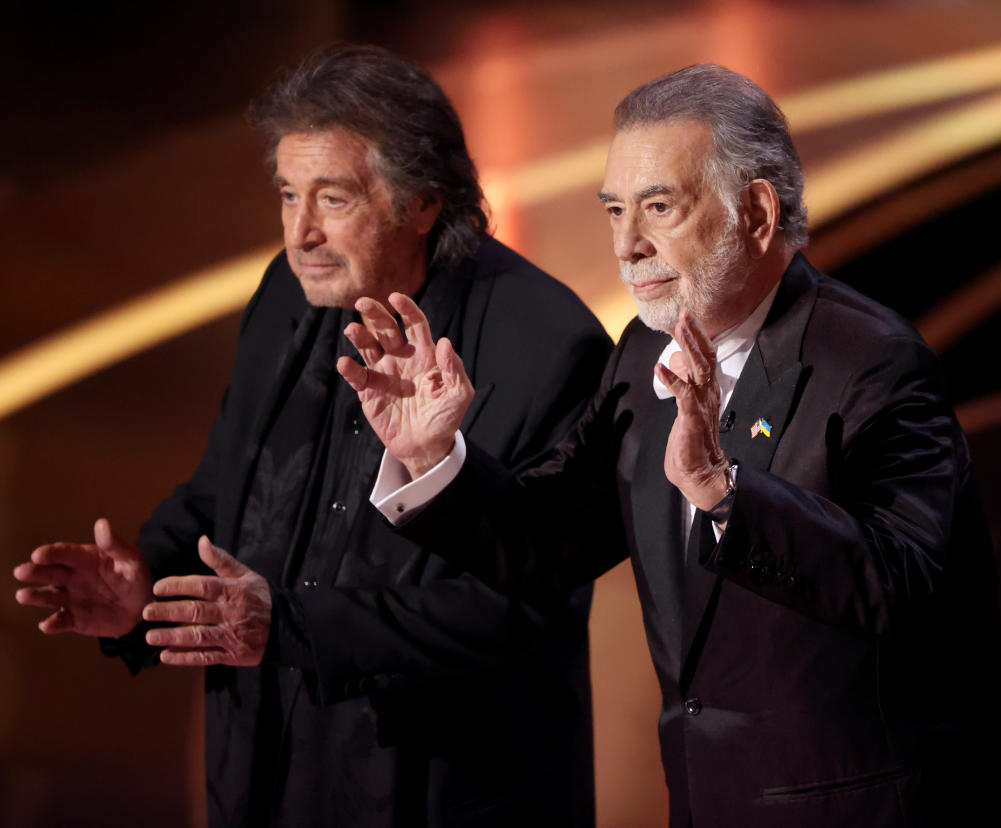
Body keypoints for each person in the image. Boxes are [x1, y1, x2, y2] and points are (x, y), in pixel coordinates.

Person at [341, 64, 1001, 827]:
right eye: (615, 211)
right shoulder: (640, 354)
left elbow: (900, 584)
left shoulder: (874, 362)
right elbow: (554, 541)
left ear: (756, 212)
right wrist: (435, 456)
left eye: (659, 207)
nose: (627, 245)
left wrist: (728, 496)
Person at [13, 44, 609, 827]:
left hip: (446, 795)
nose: (300, 233)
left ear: (424, 201)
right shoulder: (285, 298)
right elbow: (227, 491)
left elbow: (518, 610)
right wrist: (143, 583)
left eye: (332, 199)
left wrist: (289, 627)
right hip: (265, 781)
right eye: (288, 195)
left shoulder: (550, 343)